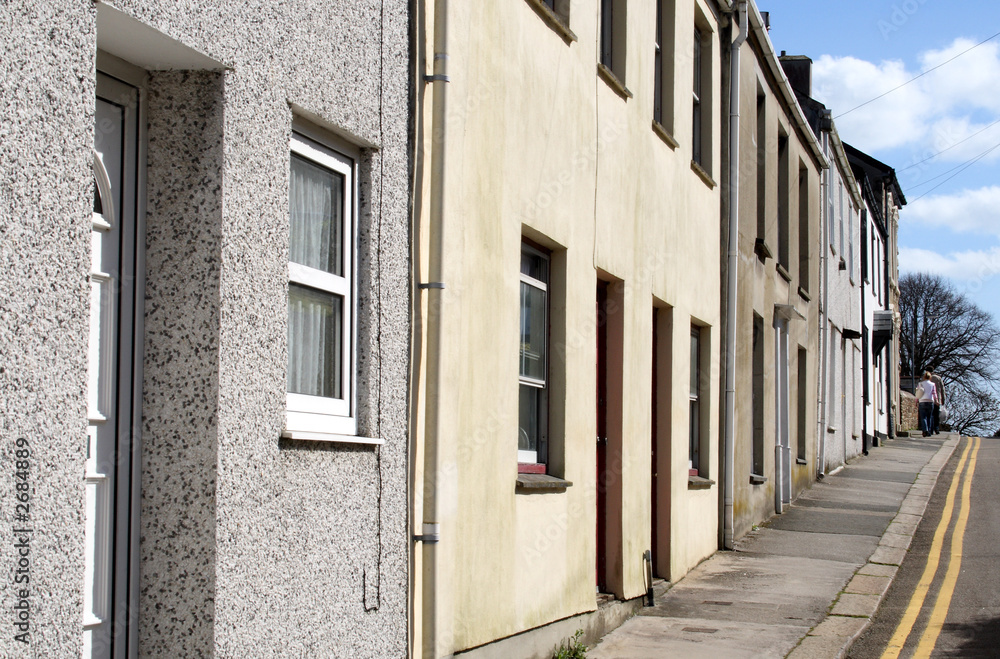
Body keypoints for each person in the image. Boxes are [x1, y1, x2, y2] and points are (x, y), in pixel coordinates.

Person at [915, 372, 939, 437]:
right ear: (930, 377)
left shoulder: (920, 384)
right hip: (930, 401)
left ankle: (925, 430)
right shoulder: (932, 384)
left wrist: (916, 401)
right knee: (929, 417)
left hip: (922, 401)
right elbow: (934, 393)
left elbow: (918, 393)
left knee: (923, 417)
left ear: (924, 377)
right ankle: (929, 431)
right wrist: (936, 401)